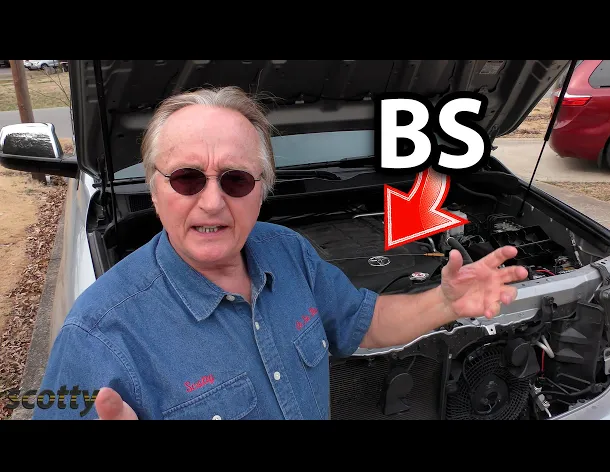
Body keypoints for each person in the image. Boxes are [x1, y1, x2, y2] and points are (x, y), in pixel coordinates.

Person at [31, 86, 528, 420]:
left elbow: (364, 322)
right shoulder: (96, 336)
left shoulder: (286, 250)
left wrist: (444, 302)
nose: (212, 202)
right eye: (186, 178)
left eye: (236, 180)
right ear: (155, 189)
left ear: (261, 190)